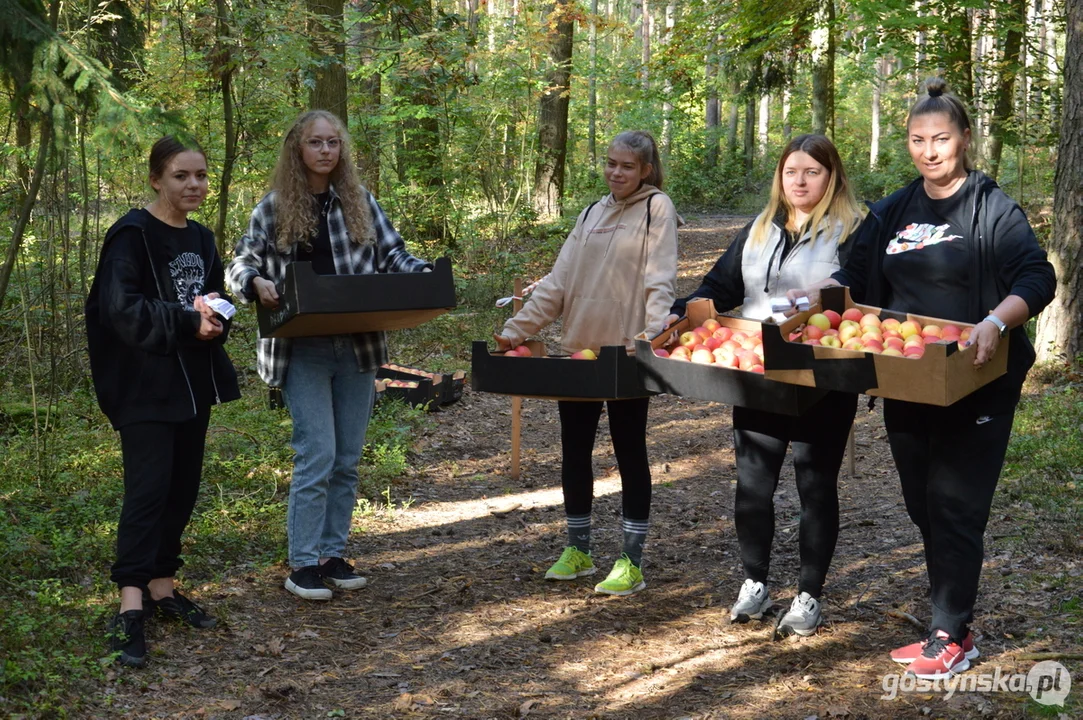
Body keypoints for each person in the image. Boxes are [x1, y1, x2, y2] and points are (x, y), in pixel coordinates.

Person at [789, 79, 1055, 678]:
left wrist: (994, 321)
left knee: (955, 503)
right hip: (909, 376)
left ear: (963, 139)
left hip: (978, 375)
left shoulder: (991, 207)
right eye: (917, 140)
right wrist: (816, 300)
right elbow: (851, 279)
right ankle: (949, 619)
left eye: (941, 138)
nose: (930, 151)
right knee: (921, 502)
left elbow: (1037, 278)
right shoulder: (893, 210)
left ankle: (950, 632)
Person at [226, 110, 432, 601]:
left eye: (333, 143)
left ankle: (332, 555)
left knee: (346, 457)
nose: (325, 151)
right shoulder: (273, 208)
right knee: (316, 453)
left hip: (357, 345)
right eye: (315, 142)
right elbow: (239, 263)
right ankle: (302, 564)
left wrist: (422, 272)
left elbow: (392, 254)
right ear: (297, 148)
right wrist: (254, 282)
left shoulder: (361, 203)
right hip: (302, 349)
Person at [667, 134, 864, 635]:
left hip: (823, 374)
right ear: (780, 176)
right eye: (791, 171)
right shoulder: (757, 230)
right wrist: (683, 311)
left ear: (832, 177)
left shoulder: (852, 228)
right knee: (753, 486)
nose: (799, 181)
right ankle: (754, 584)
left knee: (815, 488)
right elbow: (720, 285)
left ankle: (808, 595)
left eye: (812, 172)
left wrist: (819, 299)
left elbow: (858, 289)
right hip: (755, 373)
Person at [494, 131, 678, 596]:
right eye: (611, 163)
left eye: (628, 167)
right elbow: (558, 283)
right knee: (574, 449)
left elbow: (660, 280)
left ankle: (630, 561)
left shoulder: (657, 209)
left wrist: (652, 337)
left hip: (626, 353)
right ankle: (578, 549)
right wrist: (516, 330)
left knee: (628, 450)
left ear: (647, 170)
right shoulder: (592, 213)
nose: (617, 173)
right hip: (579, 350)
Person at [85, 136, 241, 667]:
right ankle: (129, 605)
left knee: (182, 489)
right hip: (143, 387)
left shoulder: (202, 236)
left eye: (200, 175)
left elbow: (214, 300)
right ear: (156, 178)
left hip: (192, 385)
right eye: (181, 176)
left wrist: (216, 316)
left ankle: (162, 585)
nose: (193, 185)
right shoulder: (131, 235)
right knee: (148, 492)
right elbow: (119, 309)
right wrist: (185, 320)